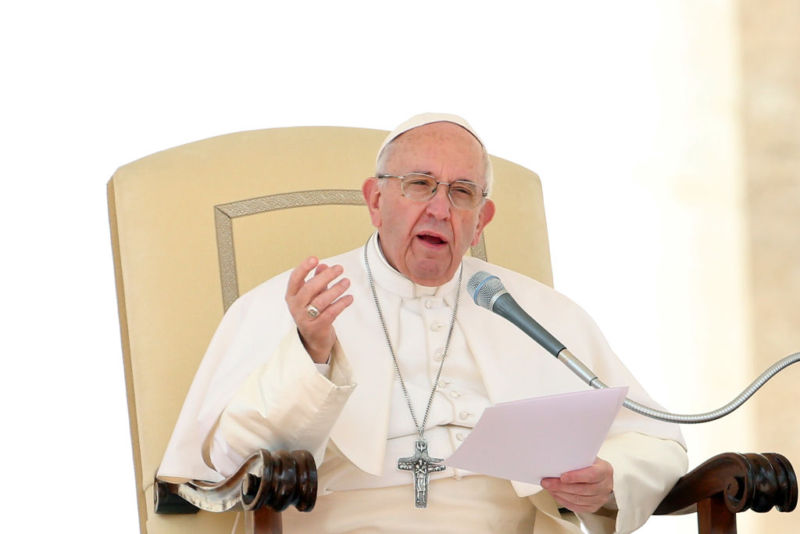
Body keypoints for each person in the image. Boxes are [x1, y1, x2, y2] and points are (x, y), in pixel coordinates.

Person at [158, 113, 688, 533]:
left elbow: (655, 440)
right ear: (375, 200)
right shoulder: (296, 302)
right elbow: (227, 459)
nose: (440, 208)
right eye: (419, 184)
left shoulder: (537, 311)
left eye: (461, 192)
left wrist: (610, 479)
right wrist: (310, 353)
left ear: (481, 219)